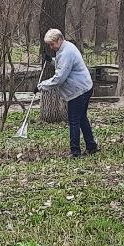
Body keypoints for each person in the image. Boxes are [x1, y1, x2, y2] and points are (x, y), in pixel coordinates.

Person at [37, 28, 98, 157]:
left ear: (60, 39)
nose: (51, 47)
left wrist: (41, 86)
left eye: (52, 44)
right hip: (84, 87)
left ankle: (75, 151)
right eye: (49, 44)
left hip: (79, 90)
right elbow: (63, 65)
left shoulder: (66, 52)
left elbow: (59, 78)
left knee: (74, 120)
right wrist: (51, 61)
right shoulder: (65, 48)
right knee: (81, 118)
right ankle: (91, 146)